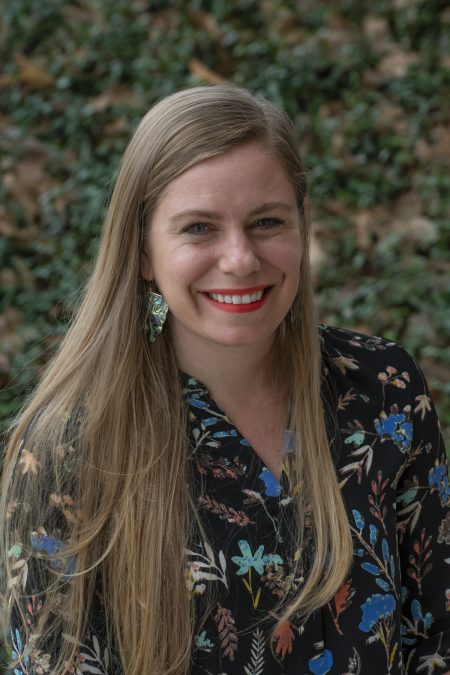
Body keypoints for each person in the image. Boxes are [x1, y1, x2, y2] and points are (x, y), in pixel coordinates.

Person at [1, 85, 449, 675]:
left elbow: (437, 629)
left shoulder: (383, 387)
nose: (239, 258)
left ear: (302, 225)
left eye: (266, 221)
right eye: (198, 229)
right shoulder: (68, 446)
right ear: (141, 251)